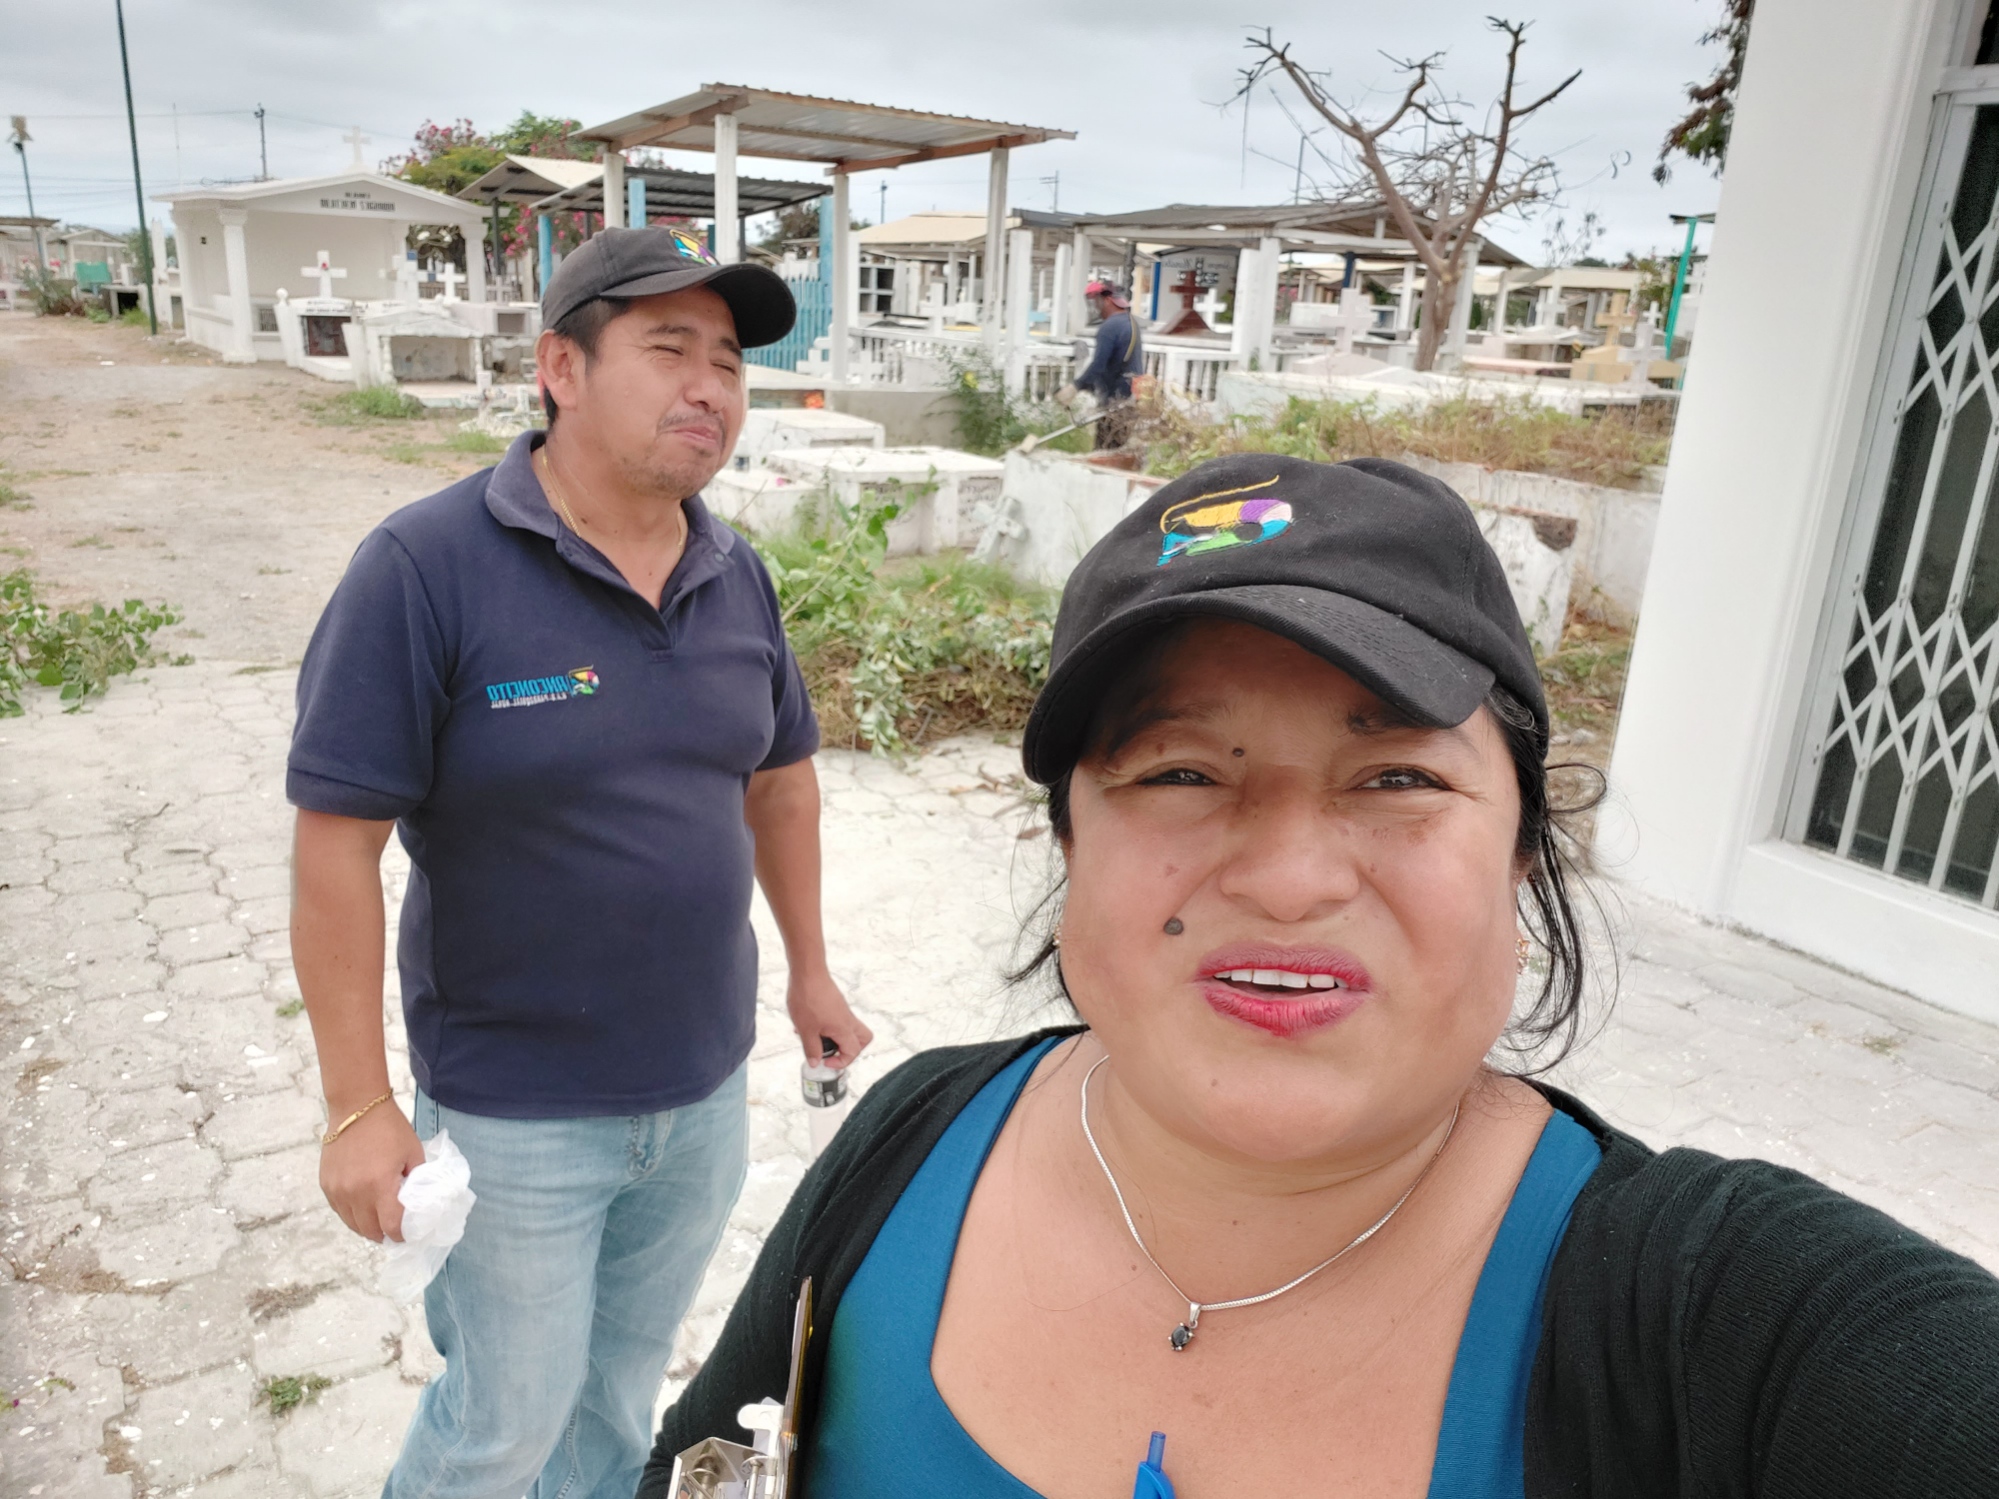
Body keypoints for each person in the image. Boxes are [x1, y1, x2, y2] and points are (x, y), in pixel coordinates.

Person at [638, 454, 1999, 1497]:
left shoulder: (1723, 1321)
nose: (1289, 879)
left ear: (1521, 851)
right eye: (1180, 771)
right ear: (1068, 843)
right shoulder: (906, 1139)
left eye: (1396, 776)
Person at [288, 226, 872, 1499]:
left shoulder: (734, 571)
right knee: (500, 1423)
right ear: (561, 367)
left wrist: (811, 969)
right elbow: (336, 841)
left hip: (701, 1094)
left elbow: (779, 782)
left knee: (613, 1400)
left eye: (728, 361)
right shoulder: (425, 568)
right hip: (516, 1112)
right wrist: (357, 1101)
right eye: (669, 349)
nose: (708, 388)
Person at [1069, 279, 1144, 450]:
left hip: (1114, 400)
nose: (1095, 307)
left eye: (1096, 302)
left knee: (1105, 450)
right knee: (1121, 448)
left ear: (1108, 300)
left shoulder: (1110, 327)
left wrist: (1076, 386)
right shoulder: (1131, 323)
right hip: (1130, 399)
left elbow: (1099, 364)